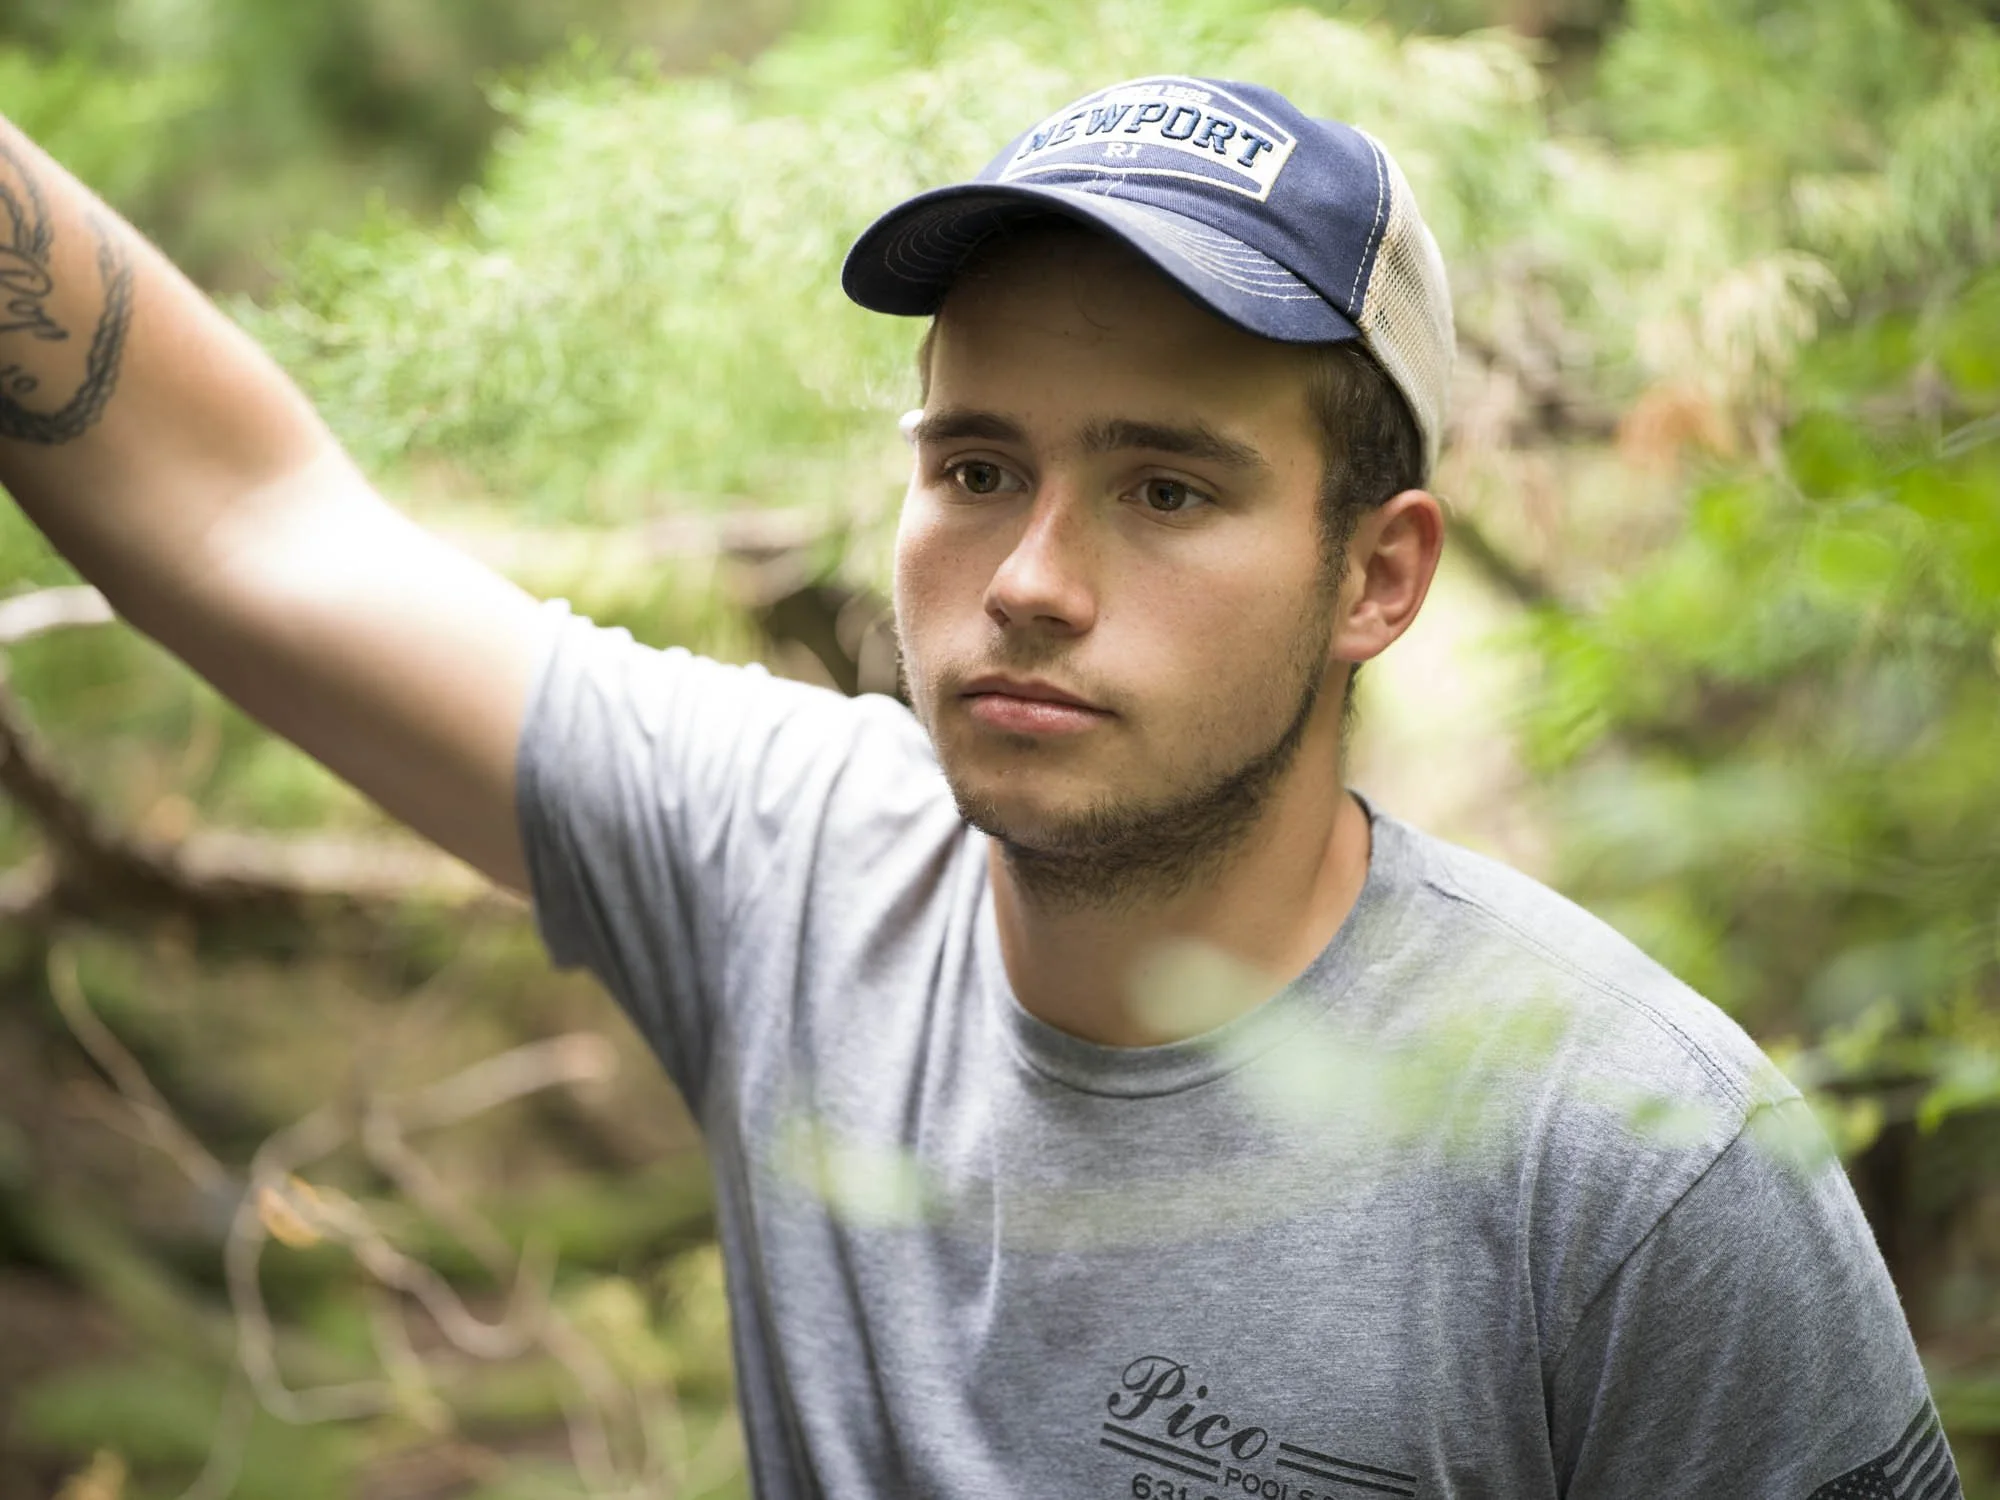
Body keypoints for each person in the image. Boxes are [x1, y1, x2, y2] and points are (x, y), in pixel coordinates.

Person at [0, 73, 1961, 1500]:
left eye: (1165, 487)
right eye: (974, 468)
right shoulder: (795, 865)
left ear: (1378, 575)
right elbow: (247, 518)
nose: (1027, 574)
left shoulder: (1634, 1164)